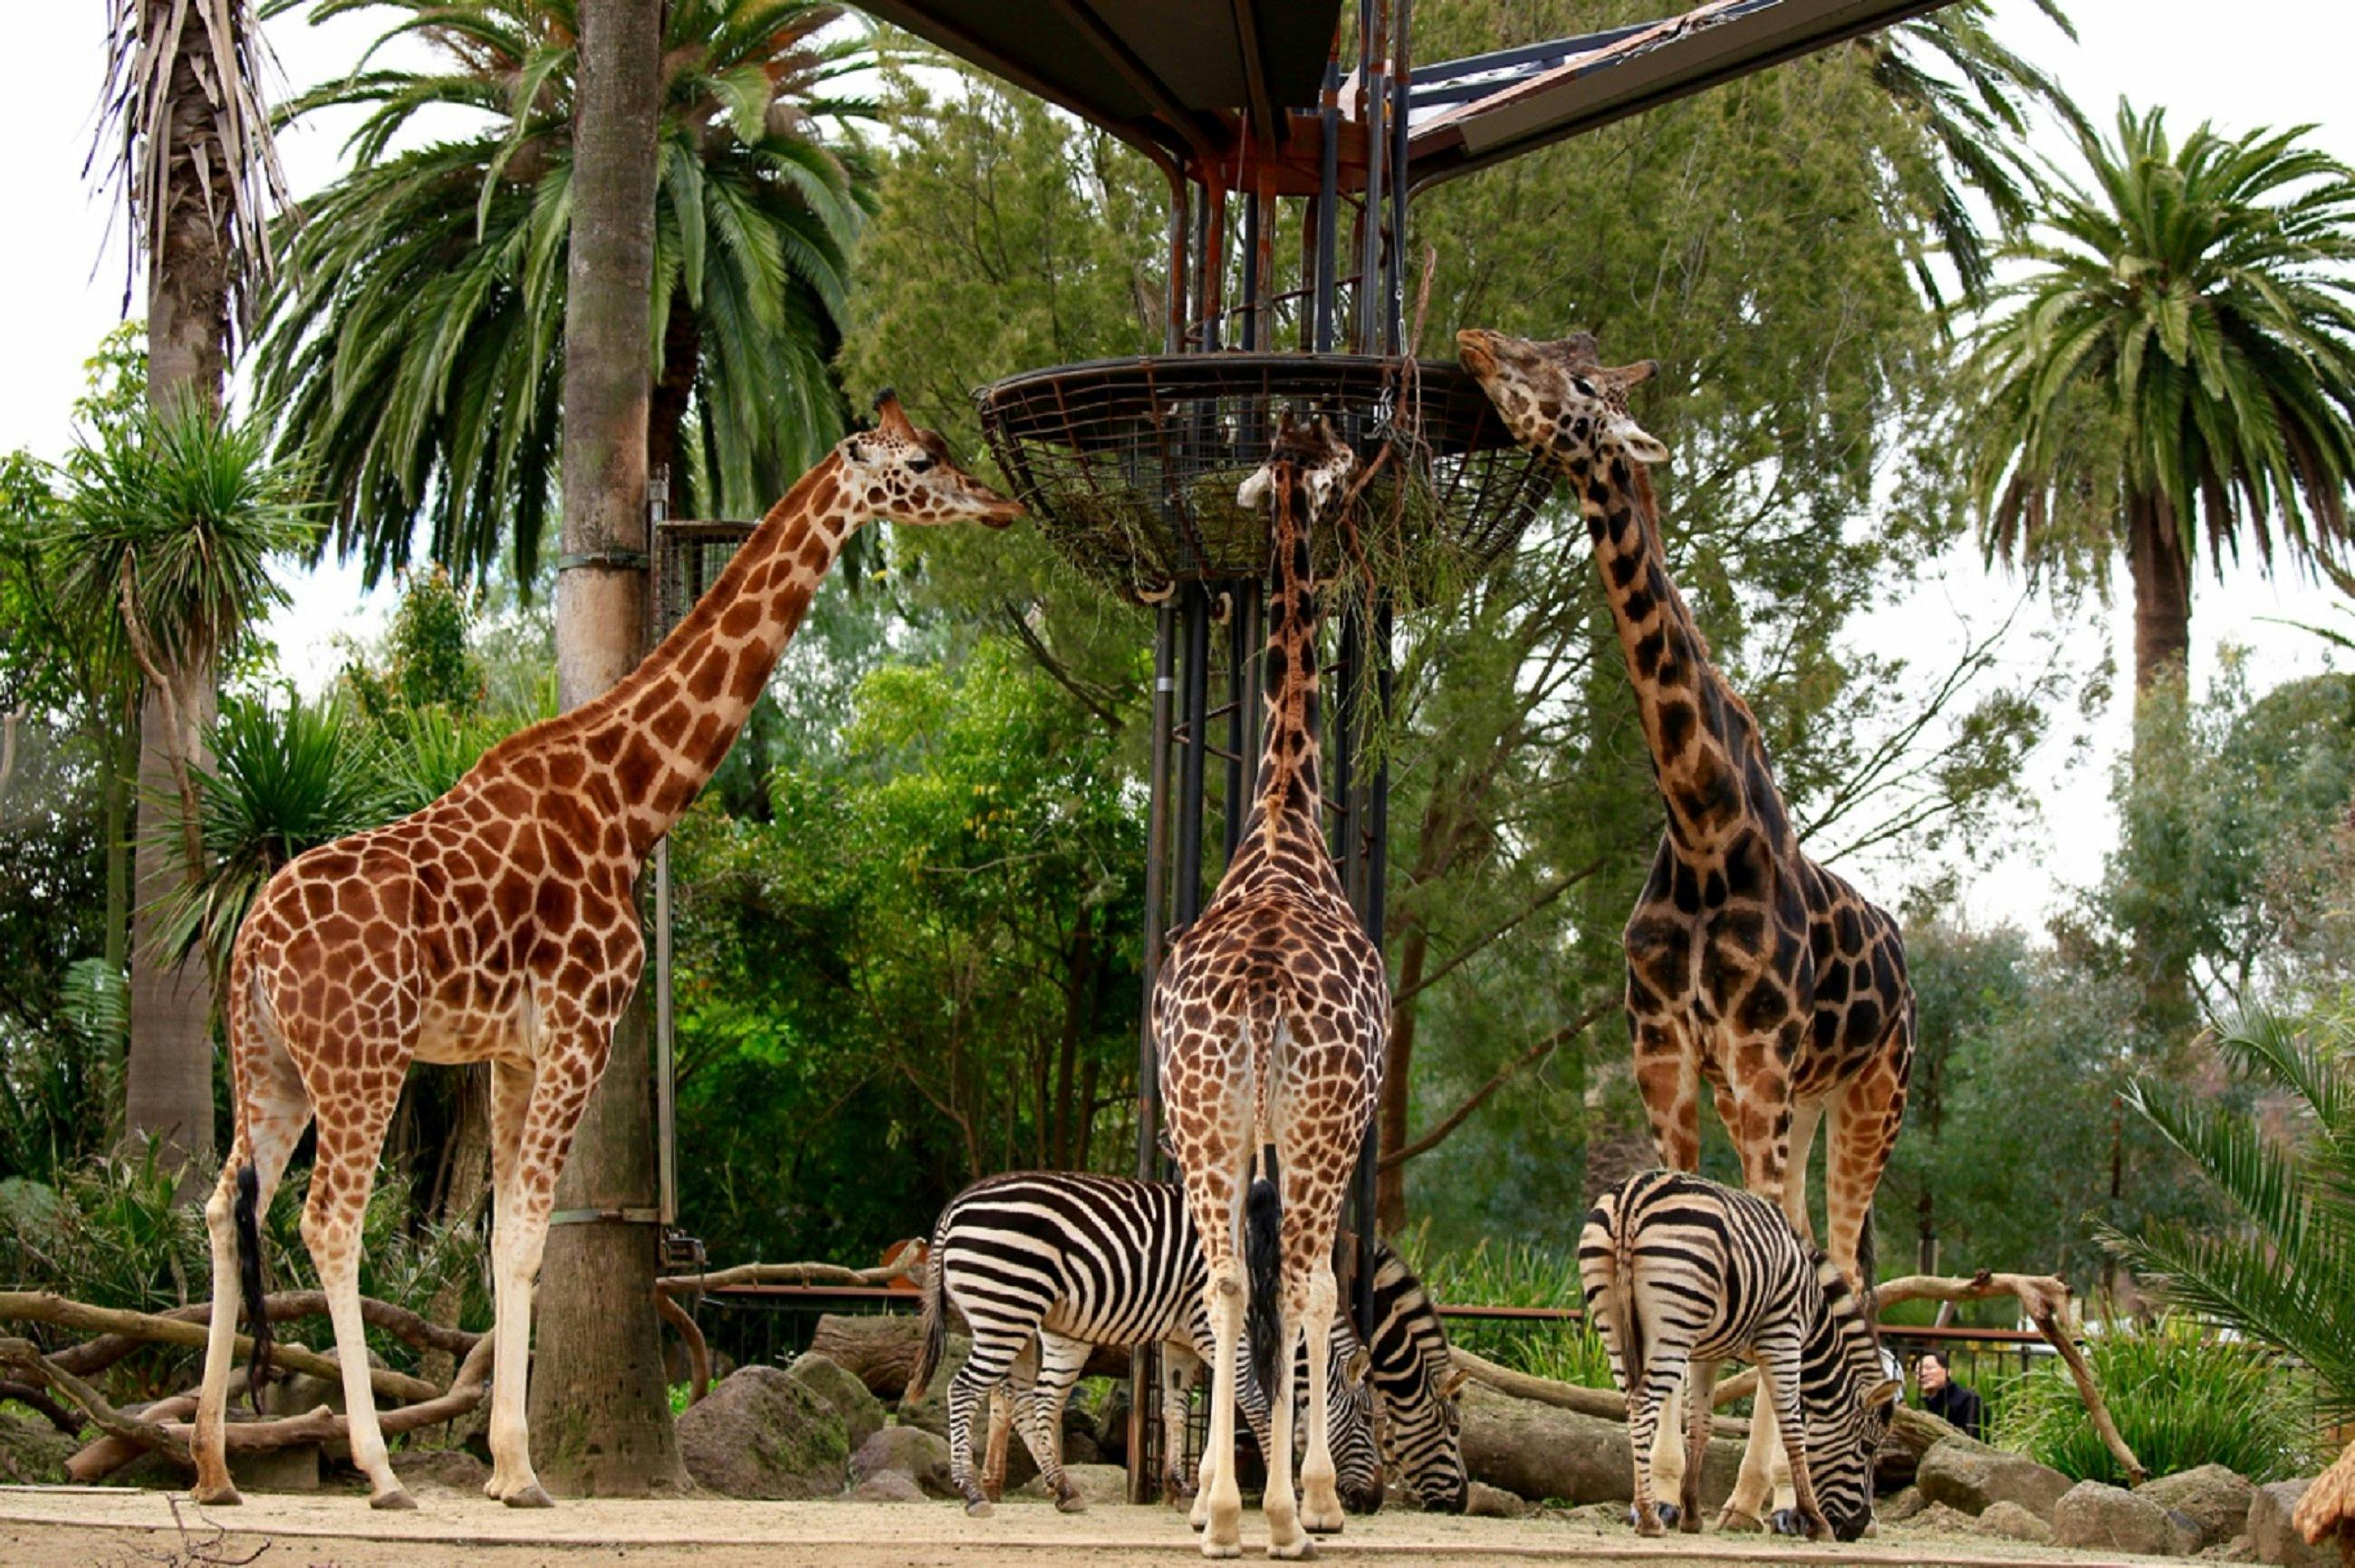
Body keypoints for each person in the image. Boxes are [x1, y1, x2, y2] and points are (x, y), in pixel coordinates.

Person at [1917, 1350, 1984, 1440]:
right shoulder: (1923, 1406)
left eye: (1929, 1368)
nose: (1922, 1374)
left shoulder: (1968, 1400)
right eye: (1917, 1372)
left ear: (1948, 1372)